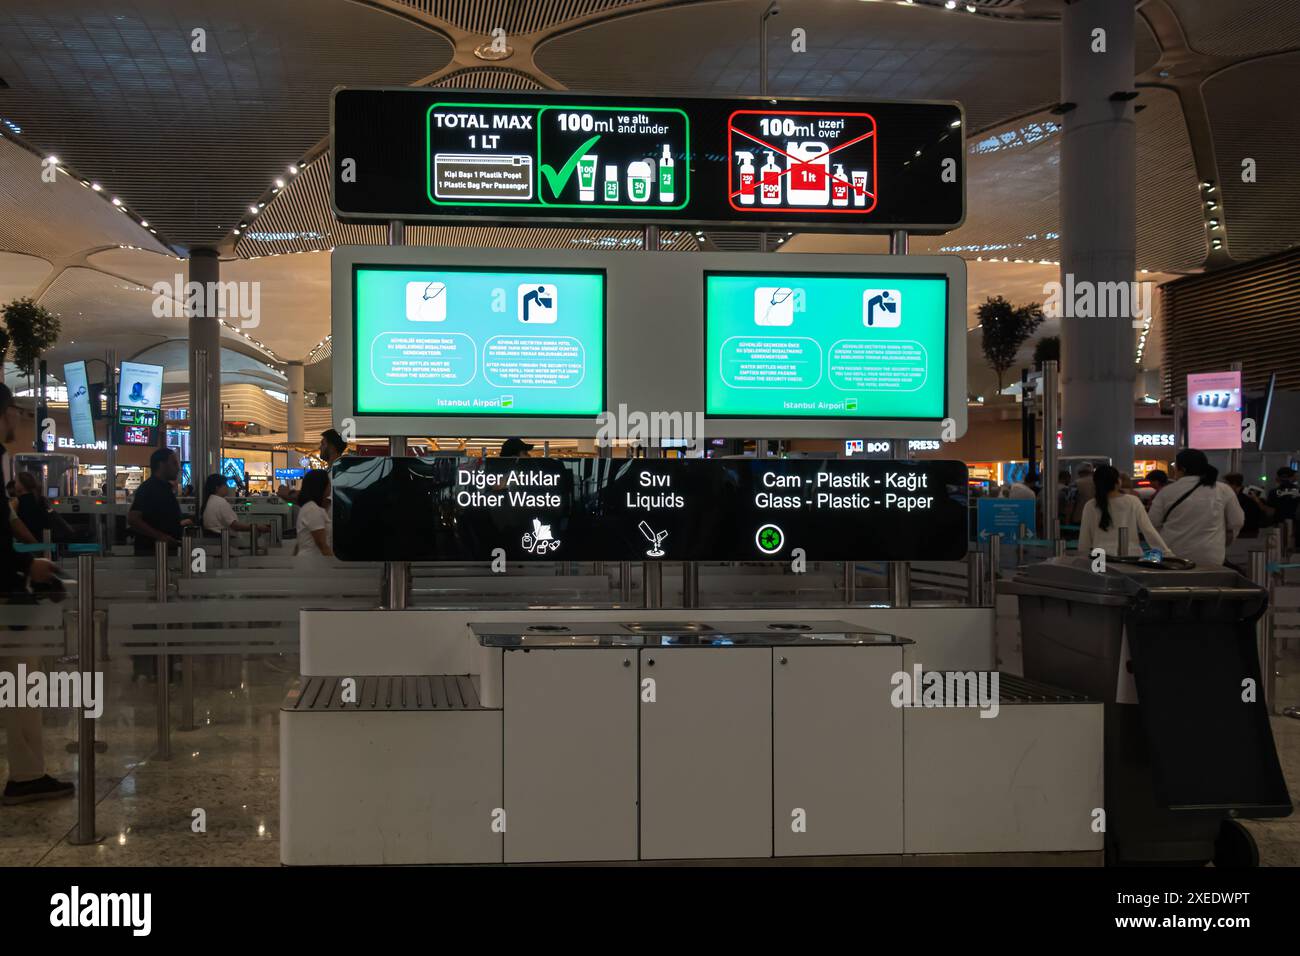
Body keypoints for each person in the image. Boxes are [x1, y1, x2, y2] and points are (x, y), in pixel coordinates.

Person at [0, 384, 74, 804]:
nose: (18, 420)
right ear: (6, 412)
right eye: (16, 412)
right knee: (20, 682)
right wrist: (27, 565)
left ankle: (27, 773)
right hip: (7, 592)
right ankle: (26, 775)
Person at [1149, 448, 1244, 568]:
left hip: (1174, 556)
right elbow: (1237, 521)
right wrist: (1223, 541)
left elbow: (1152, 523)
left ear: (1182, 469)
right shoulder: (1223, 489)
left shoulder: (1166, 492)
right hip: (1210, 556)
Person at [1078, 465, 1172, 558]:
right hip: (1130, 556)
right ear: (1118, 482)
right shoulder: (1133, 501)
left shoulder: (1090, 505)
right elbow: (1149, 530)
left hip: (1100, 558)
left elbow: (1084, 538)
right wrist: (1166, 553)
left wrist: (1082, 558)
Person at [127, 447, 189, 555]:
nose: (178, 468)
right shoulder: (149, 488)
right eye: (174, 463)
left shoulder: (165, 488)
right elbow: (133, 519)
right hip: (152, 554)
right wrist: (161, 537)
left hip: (164, 552)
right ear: (162, 465)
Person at [200, 473, 269, 537]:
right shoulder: (220, 503)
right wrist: (257, 526)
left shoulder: (210, 501)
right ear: (217, 488)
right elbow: (236, 526)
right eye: (225, 484)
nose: (227, 487)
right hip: (226, 543)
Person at [294, 469, 333, 562]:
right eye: (328, 485)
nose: (330, 489)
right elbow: (322, 544)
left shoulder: (310, 507)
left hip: (309, 562)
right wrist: (335, 566)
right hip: (312, 563)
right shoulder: (313, 509)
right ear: (321, 487)